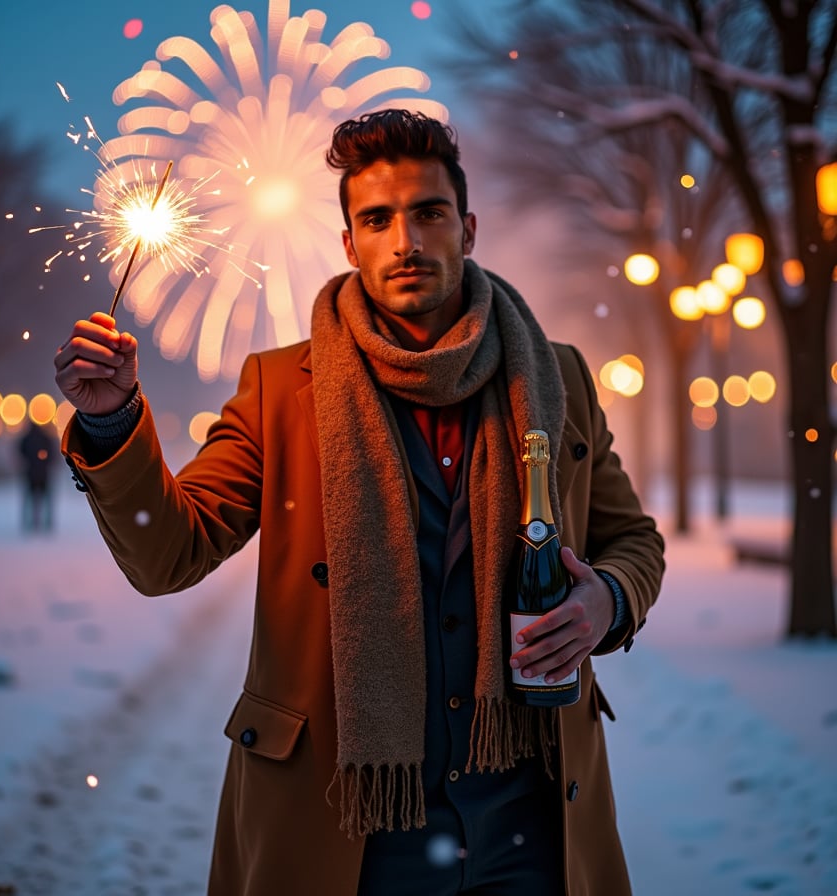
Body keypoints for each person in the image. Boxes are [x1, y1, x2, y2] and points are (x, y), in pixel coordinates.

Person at [54, 109, 665, 896]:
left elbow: (633, 543)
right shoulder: (280, 388)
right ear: (349, 244)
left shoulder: (559, 377)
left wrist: (607, 602)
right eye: (377, 220)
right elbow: (169, 551)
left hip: (530, 822)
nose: (405, 242)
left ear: (468, 228)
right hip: (345, 827)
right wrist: (112, 421)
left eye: (428, 213)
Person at [17, 421, 55, 531]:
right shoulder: (45, 438)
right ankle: (47, 523)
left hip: (30, 474)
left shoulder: (26, 438)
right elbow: (52, 454)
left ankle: (29, 523)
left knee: (29, 500)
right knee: (46, 500)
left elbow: (21, 452)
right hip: (44, 474)